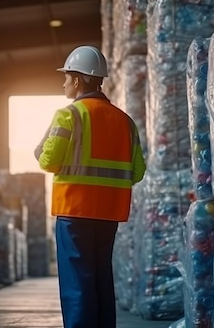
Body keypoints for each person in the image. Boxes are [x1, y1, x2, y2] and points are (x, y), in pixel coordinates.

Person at [33, 45, 146, 328]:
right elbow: (137, 172)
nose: (63, 83)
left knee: (77, 284)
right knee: (100, 279)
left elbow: (49, 161)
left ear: (78, 79)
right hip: (109, 213)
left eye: (66, 77)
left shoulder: (68, 116)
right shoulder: (125, 121)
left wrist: (41, 151)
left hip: (74, 211)